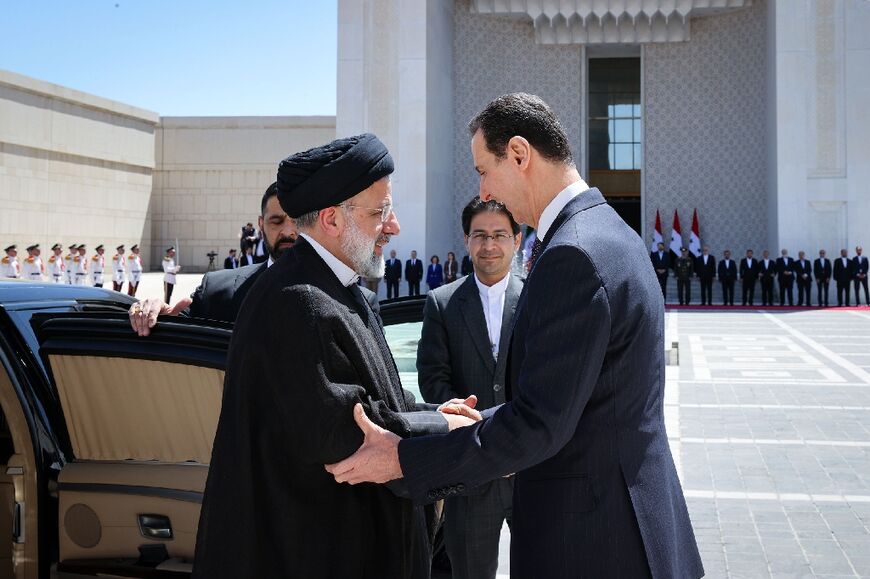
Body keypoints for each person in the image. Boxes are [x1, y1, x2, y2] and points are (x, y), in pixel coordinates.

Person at [327, 93, 702, 579]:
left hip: (594, 541)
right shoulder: (609, 230)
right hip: (628, 518)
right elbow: (574, 401)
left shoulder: (573, 255)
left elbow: (539, 425)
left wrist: (403, 459)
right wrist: (470, 423)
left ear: (520, 154)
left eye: (484, 170)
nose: (484, 191)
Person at [193, 134, 474, 579]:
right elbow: (346, 436)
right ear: (331, 219)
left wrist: (432, 411)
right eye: (379, 212)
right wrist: (444, 428)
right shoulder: (297, 300)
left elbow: (373, 400)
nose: (394, 226)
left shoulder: (339, 290)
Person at [417, 196, 522, 579]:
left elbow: (548, 379)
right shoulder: (442, 304)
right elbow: (432, 377)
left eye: (499, 235)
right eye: (480, 235)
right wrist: (463, 418)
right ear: (466, 240)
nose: (489, 245)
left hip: (528, 472)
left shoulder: (537, 299)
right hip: (469, 470)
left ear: (517, 239)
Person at [129, 182, 315, 335]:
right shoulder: (217, 290)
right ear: (261, 224)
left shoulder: (342, 289)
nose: (289, 231)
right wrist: (153, 314)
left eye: (297, 221)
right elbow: (177, 321)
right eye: (277, 221)